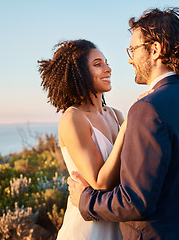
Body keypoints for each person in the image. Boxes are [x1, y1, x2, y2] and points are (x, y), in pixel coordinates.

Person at [68, 7, 179, 239]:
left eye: (133, 49)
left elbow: (136, 201)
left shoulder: (148, 108)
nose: (129, 58)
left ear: (155, 50)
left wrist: (85, 200)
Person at [38, 39, 124, 240]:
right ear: (79, 73)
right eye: (98, 64)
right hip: (88, 229)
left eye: (106, 62)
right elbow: (98, 183)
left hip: (119, 223)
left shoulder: (116, 115)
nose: (108, 69)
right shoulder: (73, 118)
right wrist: (128, 129)